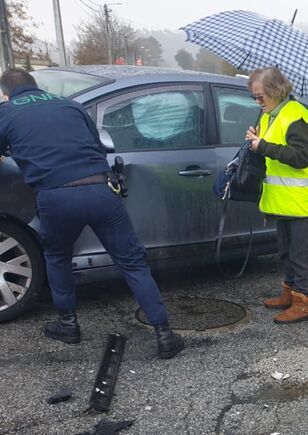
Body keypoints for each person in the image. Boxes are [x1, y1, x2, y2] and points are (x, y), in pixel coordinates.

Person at [0, 68, 183, 358]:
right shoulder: (71, 105)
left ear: (6, 93)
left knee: (58, 256)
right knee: (133, 263)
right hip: (100, 190)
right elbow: (99, 147)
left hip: (55, 197)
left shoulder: (6, 112)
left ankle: (68, 325)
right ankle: (165, 336)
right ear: (36, 86)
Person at [245, 67, 308, 324]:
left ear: (275, 91)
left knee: (302, 256)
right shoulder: (272, 115)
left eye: (260, 96)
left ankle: (303, 305)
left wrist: (264, 146)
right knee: (286, 253)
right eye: (254, 97)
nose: (258, 101)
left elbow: (301, 158)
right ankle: (289, 293)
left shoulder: (297, 118)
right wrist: (257, 139)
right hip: (284, 202)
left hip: (302, 204)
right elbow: (274, 148)